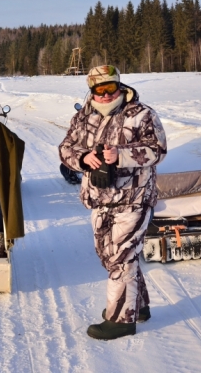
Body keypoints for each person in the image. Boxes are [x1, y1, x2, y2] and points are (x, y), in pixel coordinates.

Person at [59, 65, 167, 341]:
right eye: (99, 90)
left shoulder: (142, 114)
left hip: (133, 199)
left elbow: (158, 150)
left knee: (121, 257)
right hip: (99, 199)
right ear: (91, 90)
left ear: (120, 86)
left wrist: (121, 155)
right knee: (109, 256)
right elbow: (65, 149)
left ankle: (121, 319)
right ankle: (138, 305)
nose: (106, 95)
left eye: (110, 88)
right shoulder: (83, 117)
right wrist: (82, 159)